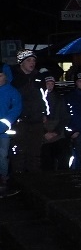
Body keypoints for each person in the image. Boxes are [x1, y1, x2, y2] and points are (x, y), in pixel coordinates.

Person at [10, 48, 43, 176]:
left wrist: (44, 113)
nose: (32, 63)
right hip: (20, 121)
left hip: (36, 120)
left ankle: (35, 180)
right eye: (29, 60)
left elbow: (43, 97)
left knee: (35, 153)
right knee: (19, 152)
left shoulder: (38, 77)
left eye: (34, 60)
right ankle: (18, 179)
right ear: (21, 62)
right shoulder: (14, 79)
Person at [38, 71, 71, 171]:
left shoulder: (59, 99)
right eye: (48, 83)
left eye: (52, 83)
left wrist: (56, 132)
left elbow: (65, 117)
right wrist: (44, 133)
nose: (50, 86)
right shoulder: (37, 99)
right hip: (42, 136)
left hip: (58, 134)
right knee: (46, 161)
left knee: (63, 157)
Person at [0, 64, 21, 196]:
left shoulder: (12, 92)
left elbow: (16, 109)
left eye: (0, 75)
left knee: (2, 156)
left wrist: (3, 125)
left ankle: (3, 181)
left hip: (4, 133)